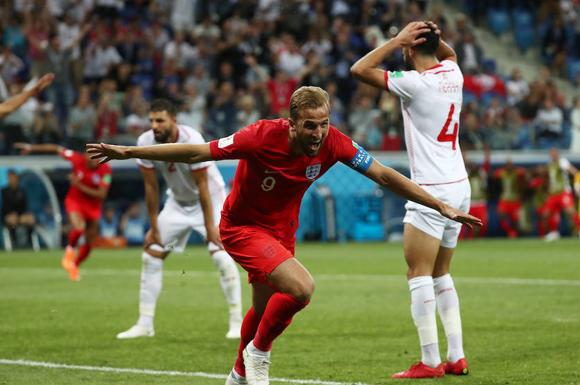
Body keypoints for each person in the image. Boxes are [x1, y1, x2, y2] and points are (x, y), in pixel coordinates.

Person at [86, 86, 481, 385]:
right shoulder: (260, 136)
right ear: (292, 122)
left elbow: (383, 174)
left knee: (261, 310)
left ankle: (238, 374)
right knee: (301, 288)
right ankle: (258, 353)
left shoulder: (334, 143)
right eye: (311, 125)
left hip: (281, 233)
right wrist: (127, 151)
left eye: (324, 123)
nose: (319, 132)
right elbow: (196, 153)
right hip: (241, 228)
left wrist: (438, 204)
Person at [351, 21, 471, 378]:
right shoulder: (454, 72)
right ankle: (457, 355)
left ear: (407, 49)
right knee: (441, 272)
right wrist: (429, 37)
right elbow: (446, 52)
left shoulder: (413, 85)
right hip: (459, 186)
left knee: (418, 273)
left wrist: (395, 39)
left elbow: (359, 69)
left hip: (429, 189)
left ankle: (431, 362)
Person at [115, 99, 243, 341]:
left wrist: (210, 228)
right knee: (151, 252)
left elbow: (203, 187)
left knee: (221, 256)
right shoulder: (145, 142)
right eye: (151, 120)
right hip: (177, 203)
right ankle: (144, 324)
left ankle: (237, 322)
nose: (154, 125)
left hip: (210, 200)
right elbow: (151, 187)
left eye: (160, 120)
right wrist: (153, 227)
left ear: (174, 120)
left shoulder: (192, 139)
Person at [14, 142, 111, 280]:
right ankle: (70, 250)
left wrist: (79, 185)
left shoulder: (105, 169)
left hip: (93, 207)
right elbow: (55, 148)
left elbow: (102, 195)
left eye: (99, 156)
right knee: (79, 228)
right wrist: (32, 148)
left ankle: (73, 265)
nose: (96, 159)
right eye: (93, 155)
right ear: (85, 155)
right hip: (75, 201)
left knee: (89, 243)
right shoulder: (76, 159)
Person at [543, 148, 580, 241]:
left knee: (571, 211)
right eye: (551, 153)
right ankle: (554, 232)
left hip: (564, 191)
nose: (553, 155)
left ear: (557, 153)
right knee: (547, 213)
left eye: (554, 153)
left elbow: (574, 172)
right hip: (553, 193)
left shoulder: (562, 161)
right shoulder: (550, 165)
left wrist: (577, 184)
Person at [1, 169, 36, 247]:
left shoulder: (22, 191)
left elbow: (25, 206)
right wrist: (12, 215)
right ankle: (14, 243)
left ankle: (30, 242)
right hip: (8, 216)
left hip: (20, 215)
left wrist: (22, 215)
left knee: (30, 219)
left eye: (13, 177)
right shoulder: (4, 191)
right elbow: (5, 207)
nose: (12, 180)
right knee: (12, 219)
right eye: (10, 178)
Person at [494, 159, 525, 238]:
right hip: (504, 199)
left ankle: (513, 234)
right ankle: (509, 231)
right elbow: (494, 174)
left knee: (515, 220)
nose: (509, 166)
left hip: (514, 200)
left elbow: (523, 173)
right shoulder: (502, 173)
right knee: (501, 216)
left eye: (510, 165)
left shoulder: (517, 173)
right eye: (508, 165)